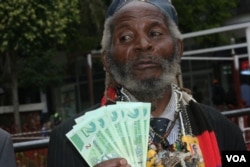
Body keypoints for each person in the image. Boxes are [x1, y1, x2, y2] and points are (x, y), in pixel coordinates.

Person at [47, 0, 247, 167]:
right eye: (125, 37)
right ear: (107, 60)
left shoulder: (225, 131)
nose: (143, 45)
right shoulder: (68, 142)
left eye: (155, 33)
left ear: (178, 49)